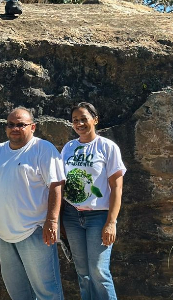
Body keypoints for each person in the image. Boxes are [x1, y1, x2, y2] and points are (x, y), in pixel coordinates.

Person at [0, 108, 66, 300]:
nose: (15, 128)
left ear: (33, 127)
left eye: (21, 124)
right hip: (4, 235)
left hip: (35, 232)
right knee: (19, 295)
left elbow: (56, 185)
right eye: (11, 124)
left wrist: (52, 221)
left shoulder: (43, 149)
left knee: (48, 293)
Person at [61, 102, 126, 300]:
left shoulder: (107, 147)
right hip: (72, 215)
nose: (79, 123)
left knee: (99, 271)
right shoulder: (69, 147)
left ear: (95, 120)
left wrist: (111, 222)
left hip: (99, 216)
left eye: (84, 119)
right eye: (75, 120)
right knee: (83, 272)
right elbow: (59, 182)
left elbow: (117, 188)